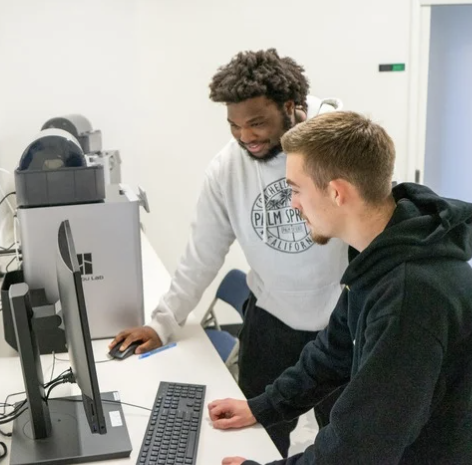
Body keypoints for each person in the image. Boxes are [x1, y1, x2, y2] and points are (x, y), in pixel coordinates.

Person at [208, 111, 472, 465]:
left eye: (295, 190)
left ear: (336, 192)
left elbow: (359, 448)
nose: (293, 203)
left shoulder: (409, 294)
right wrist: (263, 407)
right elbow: (332, 353)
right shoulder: (384, 255)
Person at [109, 49, 348, 457]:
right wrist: (162, 323)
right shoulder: (226, 170)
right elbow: (202, 253)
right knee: (258, 438)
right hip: (272, 327)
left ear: (291, 107)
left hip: (342, 327)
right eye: (235, 126)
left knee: (344, 443)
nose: (245, 137)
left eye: (257, 123)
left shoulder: (339, 149)